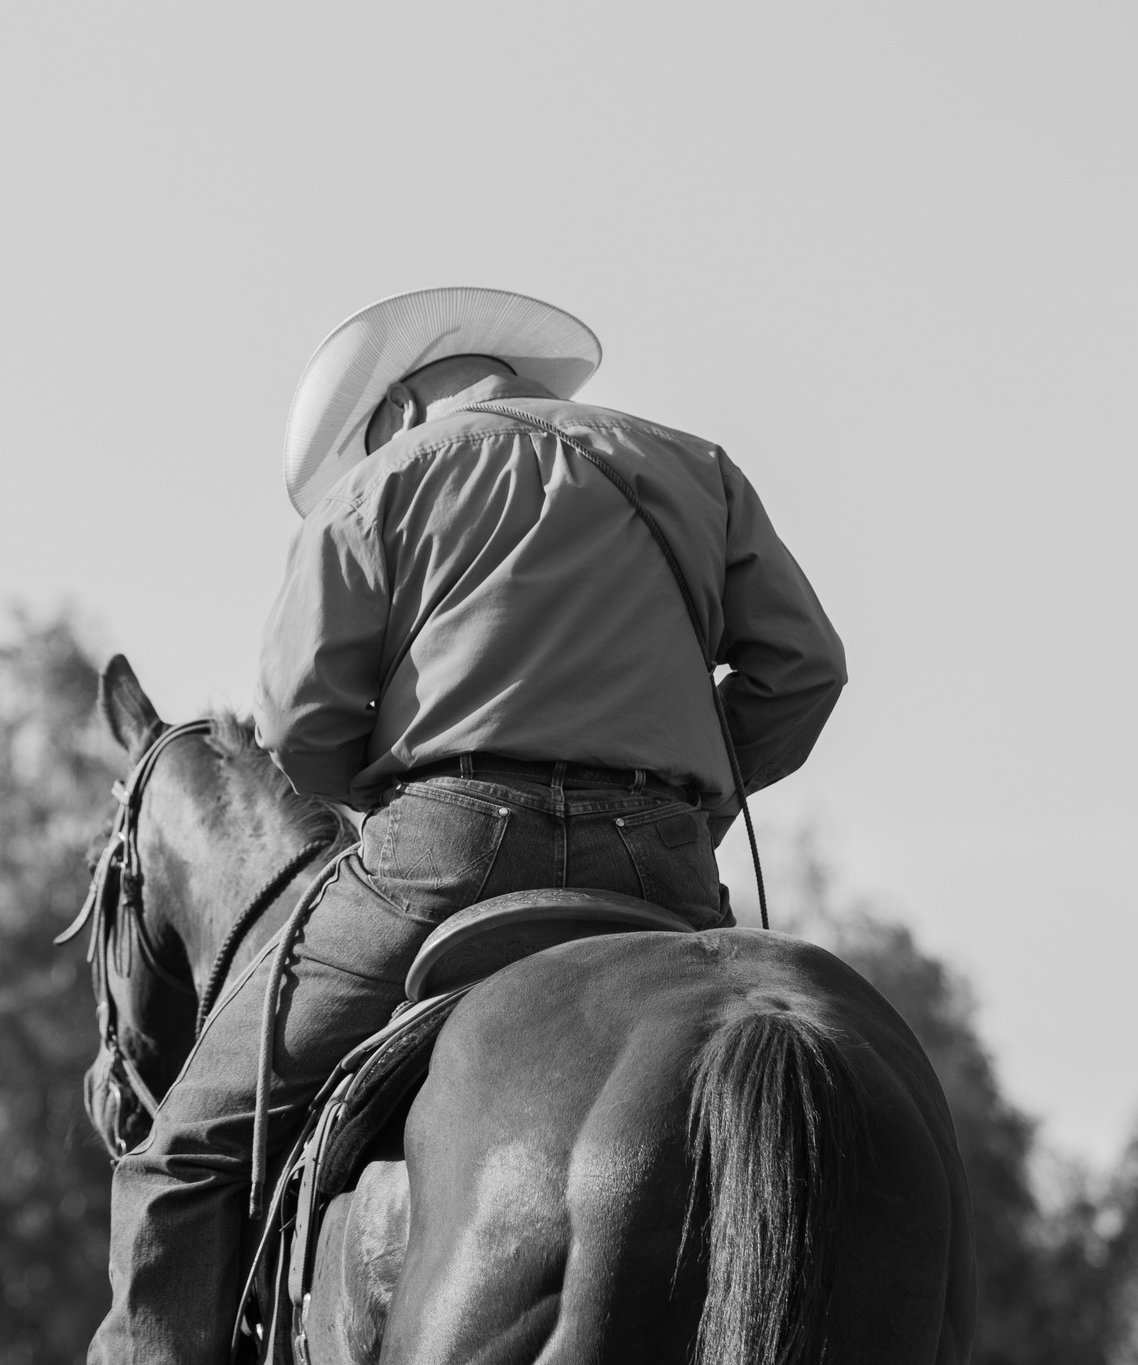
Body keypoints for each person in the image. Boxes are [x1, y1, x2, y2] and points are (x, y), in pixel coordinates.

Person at [88, 287, 847, 1364]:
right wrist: (694, 796)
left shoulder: (380, 486)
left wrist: (396, 802)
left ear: (396, 409)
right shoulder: (697, 468)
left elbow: (298, 725)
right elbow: (804, 671)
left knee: (184, 1154)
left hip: (447, 855)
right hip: (659, 867)